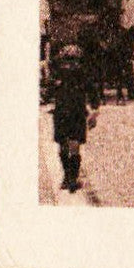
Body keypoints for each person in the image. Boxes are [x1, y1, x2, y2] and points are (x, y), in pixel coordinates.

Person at [50, 44, 94, 193]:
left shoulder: (58, 73)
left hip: (61, 113)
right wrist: (94, 110)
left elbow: (49, 91)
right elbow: (92, 91)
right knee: (74, 146)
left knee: (63, 145)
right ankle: (72, 179)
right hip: (77, 113)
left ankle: (67, 177)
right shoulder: (83, 73)